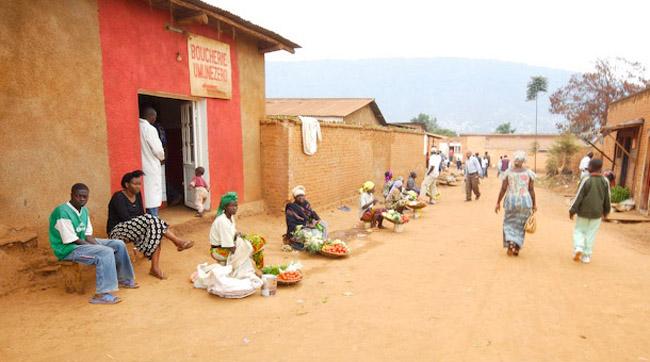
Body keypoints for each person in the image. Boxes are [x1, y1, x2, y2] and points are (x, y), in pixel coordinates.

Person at [50, 183, 137, 304]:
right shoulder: (62, 212)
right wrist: (100, 248)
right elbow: (73, 240)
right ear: (71, 195)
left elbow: (87, 235)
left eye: (85, 197)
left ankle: (123, 279)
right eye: (78, 196)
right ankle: (100, 294)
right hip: (67, 249)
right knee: (105, 252)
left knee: (118, 244)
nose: (81, 199)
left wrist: (99, 246)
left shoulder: (84, 210)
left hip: (81, 242)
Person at [107, 170, 195, 280]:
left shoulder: (137, 195)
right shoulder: (118, 197)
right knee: (151, 220)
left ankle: (154, 268)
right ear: (127, 185)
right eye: (135, 184)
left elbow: (141, 213)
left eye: (139, 184)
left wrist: (145, 222)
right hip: (118, 230)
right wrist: (144, 222)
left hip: (136, 228)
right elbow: (125, 218)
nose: (138, 187)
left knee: (155, 230)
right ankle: (177, 241)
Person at [495, 150, 537, 256]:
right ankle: (517, 248)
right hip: (525, 202)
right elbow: (531, 189)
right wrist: (534, 204)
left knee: (508, 223)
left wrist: (498, 202)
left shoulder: (508, 172)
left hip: (511, 201)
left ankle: (510, 244)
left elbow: (503, 188)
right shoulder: (528, 173)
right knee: (521, 225)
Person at [570, 158, 611, 264]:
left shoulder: (586, 179)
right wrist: (606, 212)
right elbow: (608, 198)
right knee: (591, 233)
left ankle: (578, 247)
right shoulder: (605, 181)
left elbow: (579, 196)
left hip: (583, 211)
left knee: (579, 230)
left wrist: (572, 210)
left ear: (591, 168)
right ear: (600, 168)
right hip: (597, 213)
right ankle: (586, 256)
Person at [140, 107, 165, 216]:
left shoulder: (137, 127)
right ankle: (155, 222)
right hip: (150, 166)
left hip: (142, 166)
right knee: (152, 199)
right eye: (154, 116)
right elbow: (158, 150)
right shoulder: (149, 129)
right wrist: (162, 157)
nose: (155, 119)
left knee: (145, 196)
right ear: (150, 116)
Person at [209, 192, 241, 264]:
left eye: (236, 205)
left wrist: (237, 234)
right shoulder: (222, 221)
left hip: (225, 247)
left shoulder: (230, 217)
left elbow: (232, 232)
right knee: (244, 254)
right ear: (225, 207)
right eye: (232, 206)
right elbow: (230, 246)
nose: (235, 208)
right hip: (219, 251)